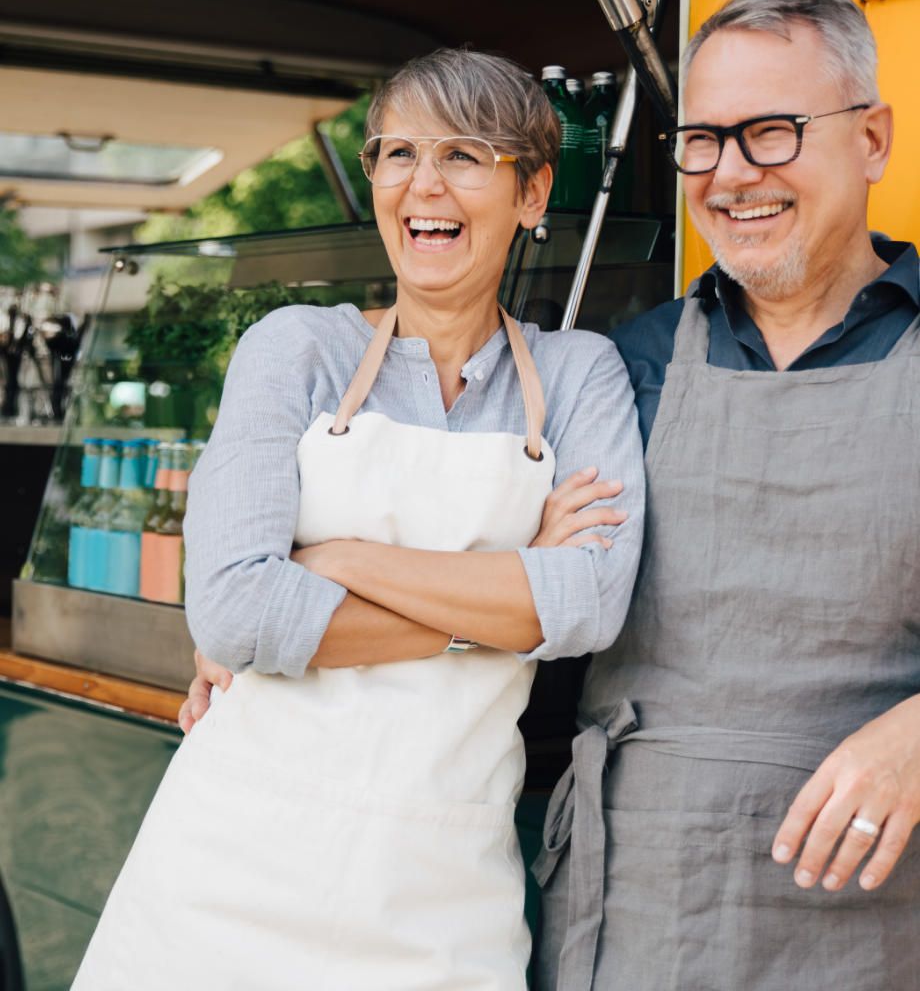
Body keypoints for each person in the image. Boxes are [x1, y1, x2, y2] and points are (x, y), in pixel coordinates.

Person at [72, 49, 645, 990]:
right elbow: (235, 616)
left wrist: (333, 557)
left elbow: (585, 606)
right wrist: (502, 608)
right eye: (398, 153)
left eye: (466, 155)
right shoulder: (296, 348)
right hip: (231, 868)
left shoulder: (580, 374)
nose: (425, 184)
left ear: (533, 193)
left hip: (444, 887)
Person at [534, 0, 920, 991]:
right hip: (637, 909)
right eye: (701, 140)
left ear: (870, 139)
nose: (728, 174)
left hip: (882, 927)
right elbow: (494, 581)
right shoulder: (623, 367)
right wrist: (288, 621)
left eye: (770, 132)